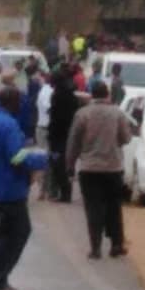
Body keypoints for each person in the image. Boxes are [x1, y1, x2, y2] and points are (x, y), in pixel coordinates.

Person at [0, 86, 48, 290]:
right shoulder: (8, 124)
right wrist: (42, 159)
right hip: (10, 188)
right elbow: (16, 157)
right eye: (19, 101)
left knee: (7, 235)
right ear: (12, 102)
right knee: (15, 234)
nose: (22, 105)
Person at [65, 81, 132, 259]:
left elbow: (73, 142)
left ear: (92, 95)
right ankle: (116, 245)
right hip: (113, 168)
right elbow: (126, 138)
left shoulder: (82, 114)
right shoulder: (118, 113)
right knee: (113, 207)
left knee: (93, 208)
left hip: (89, 169)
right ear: (107, 94)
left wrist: (70, 165)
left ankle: (95, 248)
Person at [48, 66, 78, 203]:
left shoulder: (58, 95)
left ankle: (65, 193)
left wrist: (52, 134)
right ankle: (65, 191)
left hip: (59, 135)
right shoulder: (70, 94)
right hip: (68, 133)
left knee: (58, 163)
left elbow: (56, 118)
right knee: (64, 163)